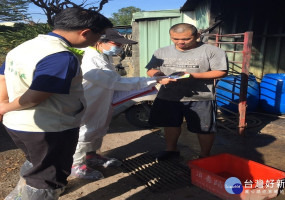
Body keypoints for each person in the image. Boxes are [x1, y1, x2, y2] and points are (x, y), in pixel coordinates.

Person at [0, 7, 113, 200]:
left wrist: (3, 103)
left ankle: (21, 194)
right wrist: (5, 106)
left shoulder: (24, 46)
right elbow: (36, 95)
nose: (98, 41)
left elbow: (3, 75)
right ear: (85, 32)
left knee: (37, 162)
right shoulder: (61, 56)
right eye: (99, 35)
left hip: (17, 124)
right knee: (47, 179)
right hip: (49, 127)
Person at [71, 28, 175, 180]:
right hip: (90, 100)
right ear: (100, 41)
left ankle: (91, 156)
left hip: (103, 99)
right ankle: (76, 165)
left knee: (99, 129)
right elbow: (114, 81)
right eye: (116, 43)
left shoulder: (102, 55)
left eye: (120, 44)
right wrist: (154, 80)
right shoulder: (90, 58)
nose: (119, 47)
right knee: (85, 133)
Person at [146, 23, 228, 161]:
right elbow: (150, 69)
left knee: (204, 128)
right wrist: (158, 75)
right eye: (175, 39)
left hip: (200, 97)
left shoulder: (212, 51)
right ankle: (171, 150)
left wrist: (192, 75)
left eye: (185, 39)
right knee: (170, 124)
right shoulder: (161, 51)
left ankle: (204, 156)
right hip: (169, 96)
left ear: (197, 36)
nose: (180, 42)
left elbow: (221, 72)